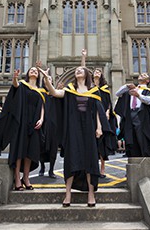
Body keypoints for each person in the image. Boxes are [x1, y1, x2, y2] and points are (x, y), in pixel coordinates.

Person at [39, 59, 108, 207]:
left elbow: (97, 111)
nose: (78, 71)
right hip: (73, 128)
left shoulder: (94, 91)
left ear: (86, 74)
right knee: (71, 159)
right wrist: (46, 78)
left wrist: (99, 127)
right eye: (76, 70)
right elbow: (54, 92)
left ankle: (90, 193)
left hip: (89, 128)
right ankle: (68, 193)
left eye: (81, 70)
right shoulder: (69, 89)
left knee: (90, 160)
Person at [0, 66, 45, 191]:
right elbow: (15, 87)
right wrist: (15, 78)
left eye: (36, 71)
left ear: (38, 75)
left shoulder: (40, 90)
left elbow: (43, 105)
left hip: (34, 122)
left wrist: (42, 119)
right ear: (27, 73)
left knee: (30, 152)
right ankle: (17, 178)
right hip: (21, 121)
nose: (34, 71)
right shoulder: (22, 85)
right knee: (20, 150)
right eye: (31, 70)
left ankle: (26, 177)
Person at [83, 49, 117, 178]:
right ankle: (92, 167)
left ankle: (102, 168)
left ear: (101, 75)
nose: (97, 72)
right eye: (95, 71)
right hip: (91, 117)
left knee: (102, 143)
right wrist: (84, 57)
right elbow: (83, 71)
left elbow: (108, 102)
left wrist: (108, 112)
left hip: (103, 117)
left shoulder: (105, 89)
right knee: (91, 143)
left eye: (99, 71)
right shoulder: (90, 88)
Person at [114, 71, 150, 159]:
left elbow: (149, 101)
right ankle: (133, 167)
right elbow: (117, 94)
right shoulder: (132, 89)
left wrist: (138, 95)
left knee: (142, 140)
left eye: (145, 75)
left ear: (148, 80)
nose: (141, 75)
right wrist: (127, 86)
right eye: (141, 74)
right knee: (131, 141)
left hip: (141, 116)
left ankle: (146, 166)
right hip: (130, 115)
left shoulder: (147, 91)